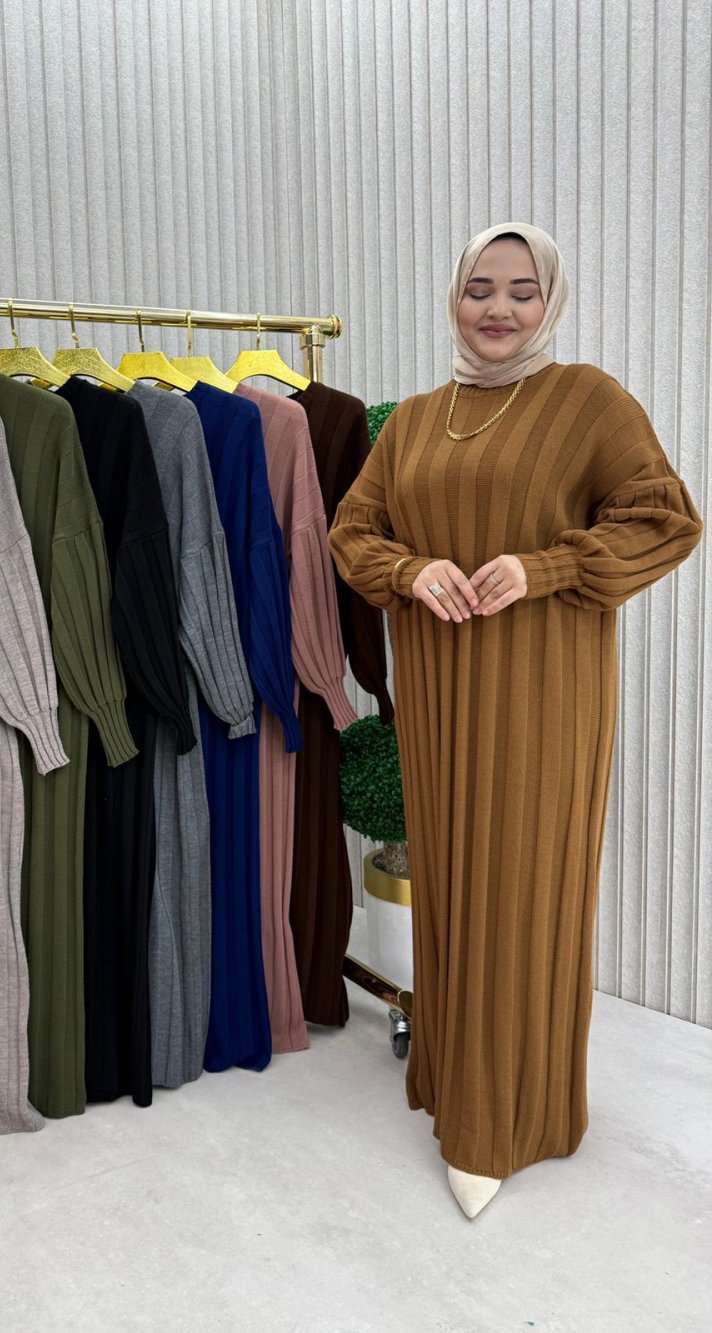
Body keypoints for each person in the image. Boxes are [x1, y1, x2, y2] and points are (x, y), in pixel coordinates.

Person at [328, 222, 702, 1219]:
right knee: (454, 881)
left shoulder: (587, 400)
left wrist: (546, 567)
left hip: (544, 694)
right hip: (439, 697)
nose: (497, 309)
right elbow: (352, 532)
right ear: (453, 296)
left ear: (551, 302)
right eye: (479, 288)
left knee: (524, 887)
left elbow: (665, 517)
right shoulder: (416, 420)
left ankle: (505, 1119)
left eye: (522, 291)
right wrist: (413, 569)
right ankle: (455, 1078)